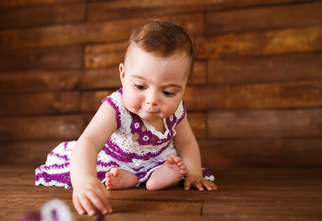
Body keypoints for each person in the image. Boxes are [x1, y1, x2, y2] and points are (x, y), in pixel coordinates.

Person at [35, 20, 217, 216]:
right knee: (101, 168)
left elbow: (187, 143)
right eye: (140, 86)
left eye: (168, 92)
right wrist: (84, 180)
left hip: (156, 160)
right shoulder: (115, 108)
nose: (152, 100)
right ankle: (125, 177)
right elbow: (88, 142)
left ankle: (158, 176)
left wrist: (195, 173)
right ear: (123, 74)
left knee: (176, 164)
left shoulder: (178, 111)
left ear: (184, 86)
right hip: (115, 160)